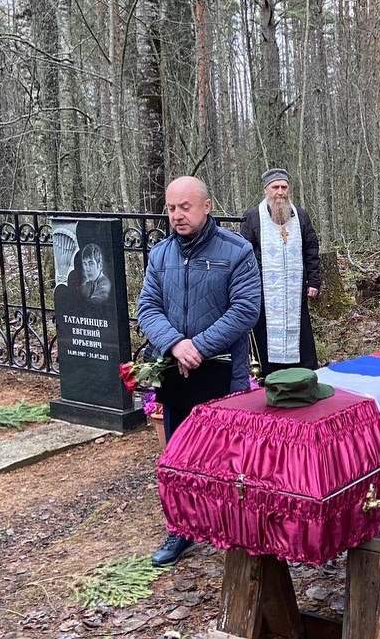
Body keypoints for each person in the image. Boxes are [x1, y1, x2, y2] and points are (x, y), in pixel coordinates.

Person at [137, 176, 261, 566]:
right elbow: (147, 308)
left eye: (185, 207)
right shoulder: (160, 254)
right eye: (172, 208)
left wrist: (199, 346)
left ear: (206, 206)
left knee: (226, 456)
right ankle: (182, 530)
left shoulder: (237, 251)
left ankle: (231, 527)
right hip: (177, 373)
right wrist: (176, 344)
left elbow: (245, 310)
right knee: (179, 455)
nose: (177, 215)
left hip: (223, 375)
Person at [240, 168, 322, 374]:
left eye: (284, 187)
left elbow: (311, 249)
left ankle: (303, 371)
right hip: (264, 290)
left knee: (300, 330)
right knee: (264, 333)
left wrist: (314, 281)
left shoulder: (300, 215)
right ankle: (269, 372)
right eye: (275, 187)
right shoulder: (253, 217)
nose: (280, 192)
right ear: (266, 190)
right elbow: (244, 253)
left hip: (294, 290)